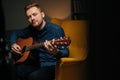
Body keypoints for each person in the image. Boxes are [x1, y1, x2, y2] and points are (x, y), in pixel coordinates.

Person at [8, 2, 69, 80]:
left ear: (42, 14)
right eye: (29, 17)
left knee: (33, 77)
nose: (32, 18)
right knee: (17, 69)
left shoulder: (56, 30)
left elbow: (66, 52)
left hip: (51, 65)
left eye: (34, 14)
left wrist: (56, 52)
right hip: (37, 64)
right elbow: (14, 33)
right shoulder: (30, 29)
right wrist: (13, 44)